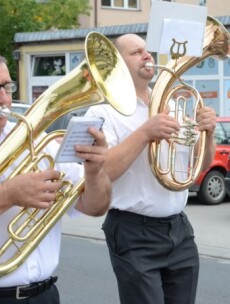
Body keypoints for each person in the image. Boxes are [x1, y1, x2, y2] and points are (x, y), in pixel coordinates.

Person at [0, 47, 112, 304]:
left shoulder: (38, 141)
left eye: (7, 87)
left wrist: (95, 171)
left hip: (43, 296)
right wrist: (9, 194)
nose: (4, 98)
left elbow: (94, 207)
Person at [84, 33, 217, 304]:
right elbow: (101, 172)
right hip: (134, 231)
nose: (147, 56)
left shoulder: (173, 107)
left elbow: (197, 169)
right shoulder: (102, 114)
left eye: (147, 51)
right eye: (135, 52)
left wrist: (209, 134)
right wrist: (145, 132)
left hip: (179, 229)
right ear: (117, 64)